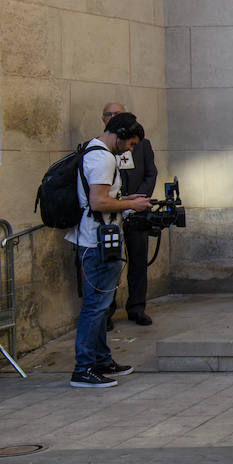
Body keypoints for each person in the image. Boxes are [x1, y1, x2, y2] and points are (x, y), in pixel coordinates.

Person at [66, 112, 152, 388]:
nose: (130, 149)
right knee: (95, 307)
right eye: (130, 143)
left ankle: (101, 360)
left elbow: (103, 198)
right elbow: (98, 202)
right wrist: (131, 205)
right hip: (97, 243)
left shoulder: (93, 151)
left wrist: (126, 198)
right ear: (119, 134)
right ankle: (84, 368)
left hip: (96, 241)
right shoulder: (103, 157)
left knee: (101, 308)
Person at [101, 101, 157, 327]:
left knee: (138, 260)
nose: (113, 117)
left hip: (135, 210)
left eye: (118, 114)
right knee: (110, 262)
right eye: (109, 114)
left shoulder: (141, 145)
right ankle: (107, 310)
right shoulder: (99, 149)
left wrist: (138, 201)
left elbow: (151, 174)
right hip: (110, 214)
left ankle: (136, 307)